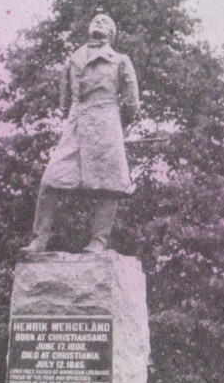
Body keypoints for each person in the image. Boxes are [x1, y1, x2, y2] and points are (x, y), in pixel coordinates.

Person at [21, 13, 140, 254]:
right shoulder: (73, 60)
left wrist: (118, 127)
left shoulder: (120, 61)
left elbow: (131, 103)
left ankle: (99, 240)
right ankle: (39, 240)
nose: (99, 22)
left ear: (111, 34)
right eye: (95, 19)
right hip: (76, 125)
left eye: (105, 21)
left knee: (109, 184)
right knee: (50, 180)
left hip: (107, 123)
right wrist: (72, 117)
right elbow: (64, 101)